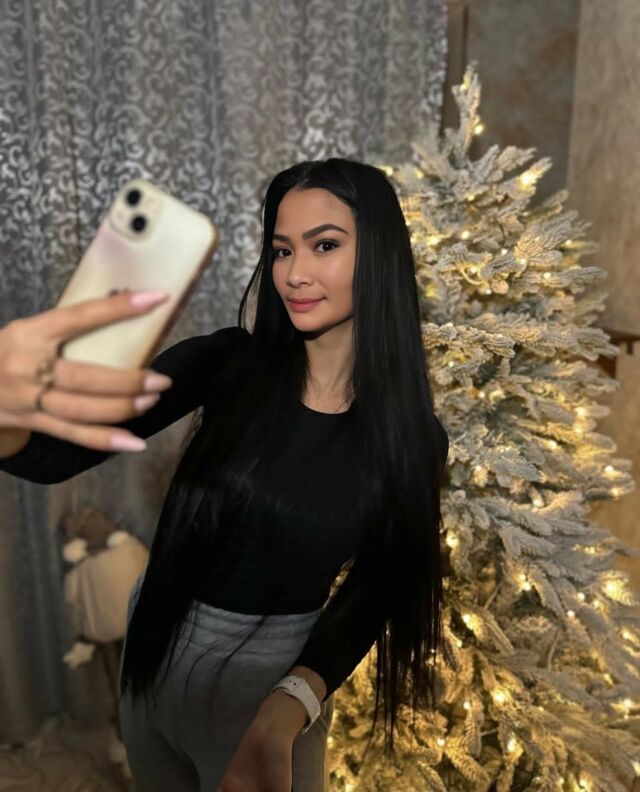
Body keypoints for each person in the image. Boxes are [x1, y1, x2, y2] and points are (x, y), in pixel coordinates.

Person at [0, 157, 449, 792]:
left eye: (324, 245)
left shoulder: (412, 438)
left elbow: (375, 590)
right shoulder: (227, 362)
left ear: (378, 253)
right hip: (155, 647)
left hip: (269, 688)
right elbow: (55, 456)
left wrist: (288, 707)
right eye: (281, 250)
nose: (294, 273)